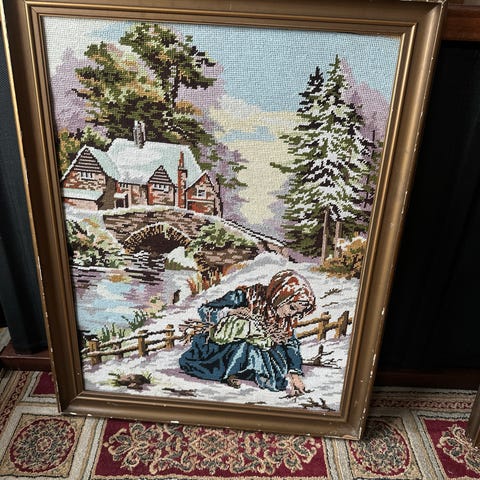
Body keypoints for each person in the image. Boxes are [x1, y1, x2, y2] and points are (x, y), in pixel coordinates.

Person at [179, 270, 316, 395]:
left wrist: (295, 376)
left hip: (263, 357)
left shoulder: (286, 320)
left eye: (297, 312)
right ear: (281, 295)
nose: (291, 314)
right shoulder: (248, 296)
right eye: (292, 307)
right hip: (225, 349)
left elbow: (291, 344)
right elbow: (204, 310)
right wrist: (231, 312)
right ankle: (230, 372)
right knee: (247, 345)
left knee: (266, 350)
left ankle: (249, 372)